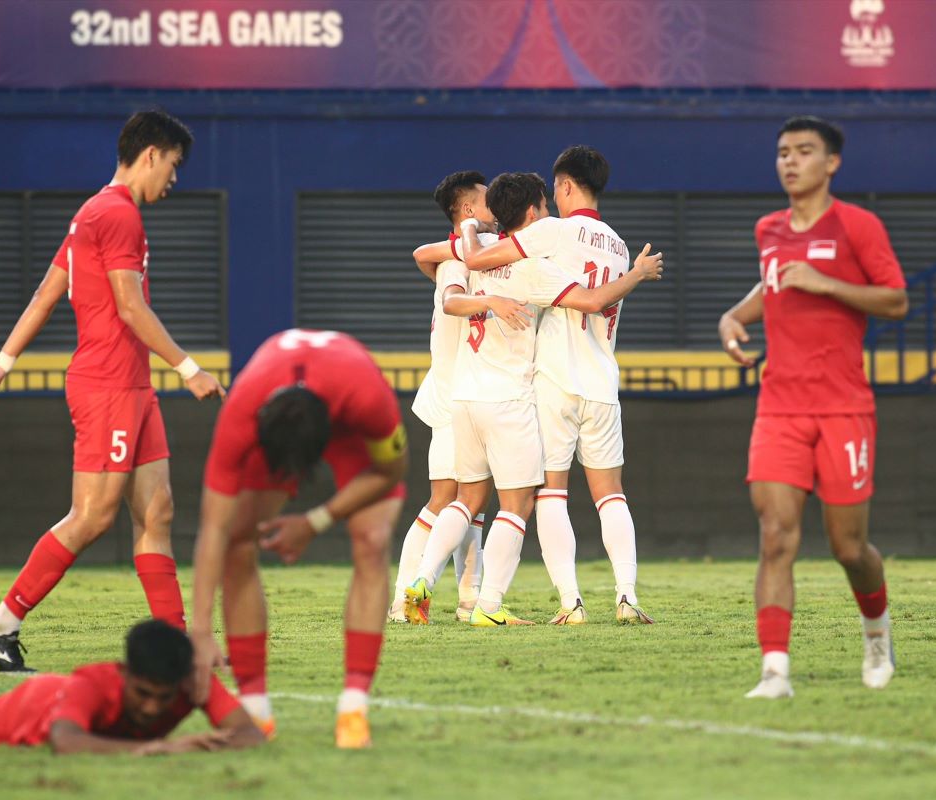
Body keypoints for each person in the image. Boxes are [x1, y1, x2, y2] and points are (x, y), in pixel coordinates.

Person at [0, 110, 225, 672]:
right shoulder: (117, 213)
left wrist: (1, 364)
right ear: (151, 154)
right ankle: (2, 623)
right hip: (108, 387)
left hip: (131, 385)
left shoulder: (93, 213)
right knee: (92, 516)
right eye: (173, 166)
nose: (173, 180)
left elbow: (45, 295)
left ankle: (179, 649)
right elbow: (130, 307)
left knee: (157, 513)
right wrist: (188, 367)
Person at [405, 171, 662, 627]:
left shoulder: (463, 261)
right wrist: (639, 274)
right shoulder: (548, 261)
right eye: (540, 206)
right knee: (522, 503)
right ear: (533, 211)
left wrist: (471, 248)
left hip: (465, 397)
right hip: (524, 396)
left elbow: (442, 284)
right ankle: (492, 605)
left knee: (464, 501)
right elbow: (592, 300)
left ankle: (424, 581)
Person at [717, 115, 908, 699]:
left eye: (803, 151)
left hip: (844, 408)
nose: (790, 161)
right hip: (780, 406)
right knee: (776, 535)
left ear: (832, 163)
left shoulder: (859, 225)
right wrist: (733, 316)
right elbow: (772, 284)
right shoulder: (768, 229)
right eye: (782, 152)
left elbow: (896, 299)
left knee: (850, 548)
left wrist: (828, 284)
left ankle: (876, 630)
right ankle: (775, 672)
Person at [188, 328, 408, 749]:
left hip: (347, 418)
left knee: (373, 539)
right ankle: (255, 713)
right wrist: (199, 629)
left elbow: (391, 472)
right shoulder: (242, 413)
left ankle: (353, 709)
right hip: (277, 403)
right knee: (237, 540)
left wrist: (316, 520)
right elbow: (213, 527)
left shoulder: (367, 398)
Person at [0, 620, 263, 753]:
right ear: (124, 673)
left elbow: (249, 734)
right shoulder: (91, 685)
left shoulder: (192, 682)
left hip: (61, 706)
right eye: (142, 694)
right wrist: (158, 748)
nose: (151, 709)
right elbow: (66, 741)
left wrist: (210, 745)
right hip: (34, 707)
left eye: (164, 698)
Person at [388, 171, 494, 625]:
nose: (498, 208)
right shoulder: (459, 262)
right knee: (445, 499)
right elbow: (448, 292)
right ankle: (402, 598)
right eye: (489, 201)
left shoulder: (477, 254)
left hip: (473, 394)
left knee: (472, 502)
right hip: (456, 396)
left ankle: (469, 598)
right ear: (468, 210)